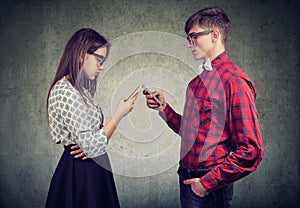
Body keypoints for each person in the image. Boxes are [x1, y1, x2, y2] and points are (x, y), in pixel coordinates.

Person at [144, 7, 264, 208]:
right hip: (187, 180)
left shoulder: (234, 81)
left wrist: (206, 184)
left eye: (193, 37)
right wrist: (164, 108)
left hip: (210, 186)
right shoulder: (195, 83)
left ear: (215, 35)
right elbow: (191, 133)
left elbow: (251, 150)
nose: (189, 44)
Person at [45, 28, 138, 208]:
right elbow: (91, 146)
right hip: (81, 171)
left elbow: (91, 143)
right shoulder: (66, 91)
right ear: (81, 55)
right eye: (99, 60)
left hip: (92, 168)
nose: (101, 66)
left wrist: (91, 144)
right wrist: (119, 115)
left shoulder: (80, 90)